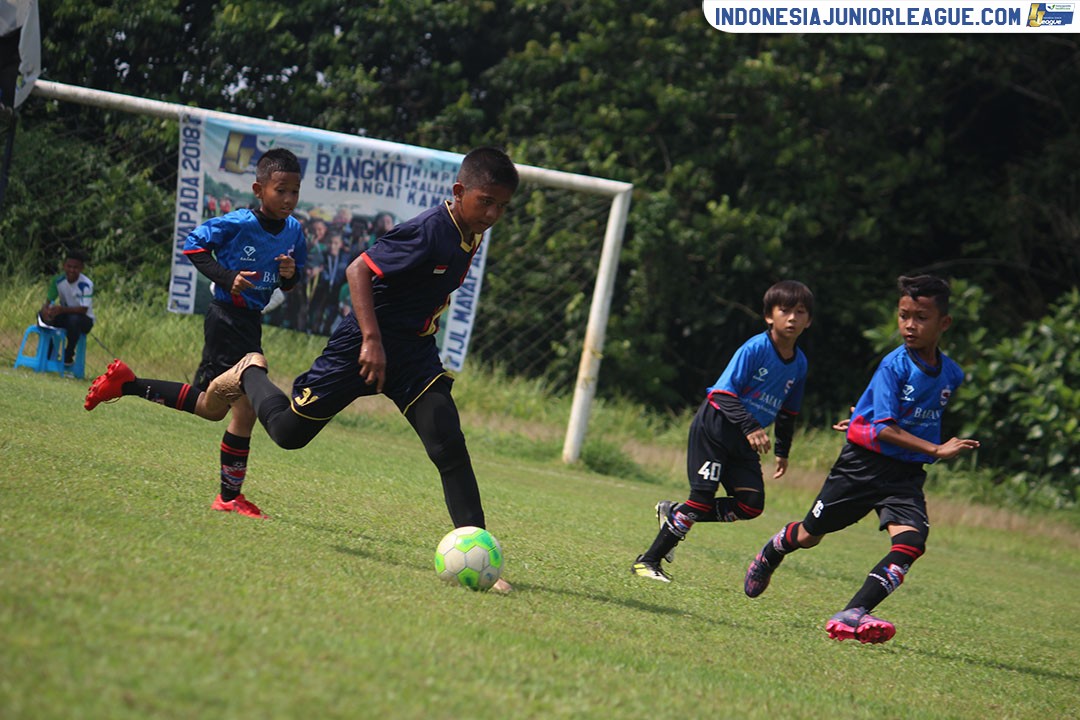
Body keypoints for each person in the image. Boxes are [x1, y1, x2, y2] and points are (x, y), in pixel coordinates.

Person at [211, 147, 518, 592]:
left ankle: (484, 563)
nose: (492, 213)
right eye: (485, 201)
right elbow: (358, 270)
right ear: (459, 191)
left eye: (502, 206)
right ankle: (249, 373)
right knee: (288, 435)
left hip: (412, 354)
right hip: (362, 345)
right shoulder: (430, 231)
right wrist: (372, 341)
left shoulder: (470, 231)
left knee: (448, 444)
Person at [742, 274, 980, 644]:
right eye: (904, 316)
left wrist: (863, 415)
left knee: (912, 543)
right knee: (809, 536)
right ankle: (773, 550)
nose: (909, 326)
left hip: (904, 474)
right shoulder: (894, 365)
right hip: (861, 467)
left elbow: (902, 411)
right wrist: (934, 448)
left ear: (944, 323)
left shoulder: (951, 373)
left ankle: (854, 612)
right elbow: (884, 428)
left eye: (921, 317)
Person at [83, 147, 306, 519]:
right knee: (248, 395)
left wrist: (290, 274)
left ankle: (127, 384)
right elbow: (194, 244)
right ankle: (229, 498)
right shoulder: (237, 223)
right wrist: (227, 277)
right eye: (280, 190)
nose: (288, 199)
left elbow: (293, 283)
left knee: (212, 407)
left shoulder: (295, 231)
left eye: (294, 192)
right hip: (225, 319)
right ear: (258, 188)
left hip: (249, 321)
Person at [632, 280, 814, 583]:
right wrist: (752, 426)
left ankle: (676, 512)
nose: (792, 318)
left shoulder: (800, 363)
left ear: (809, 321)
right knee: (702, 498)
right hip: (714, 431)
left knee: (750, 505)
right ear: (769, 315)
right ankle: (647, 561)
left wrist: (783, 450)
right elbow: (721, 394)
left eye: (801, 312)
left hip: (743, 443)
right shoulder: (756, 348)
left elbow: (789, 411)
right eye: (785, 311)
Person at [38, 248, 95, 372]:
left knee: (73, 320)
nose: (72, 270)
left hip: (83, 320)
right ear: (64, 266)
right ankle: (49, 352)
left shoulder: (86, 284)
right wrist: (46, 311)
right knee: (42, 316)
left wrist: (61, 310)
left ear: (81, 268)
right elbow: (47, 302)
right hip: (64, 314)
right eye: (69, 266)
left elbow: (83, 310)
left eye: (75, 267)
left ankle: (68, 356)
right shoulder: (58, 281)